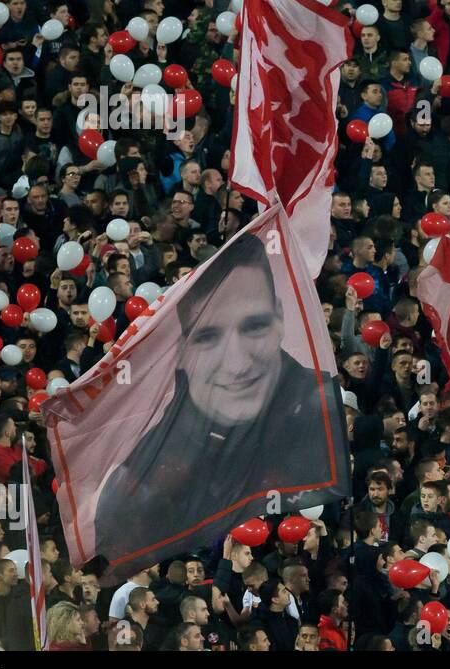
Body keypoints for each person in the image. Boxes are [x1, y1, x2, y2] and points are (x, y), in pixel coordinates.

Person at [92, 231, 349, 572]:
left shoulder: (321, 412)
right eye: (208, 337)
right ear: (181, 348)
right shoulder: (146, 444)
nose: (237, 363)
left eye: (254, 328)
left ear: (280, 319)